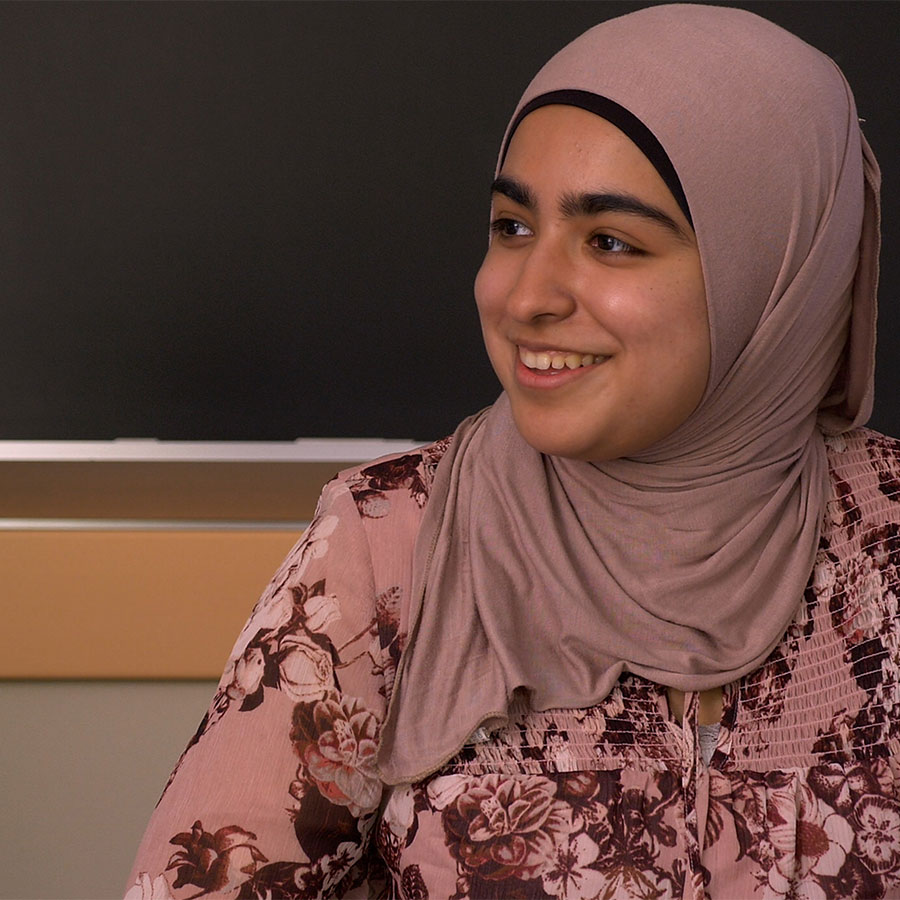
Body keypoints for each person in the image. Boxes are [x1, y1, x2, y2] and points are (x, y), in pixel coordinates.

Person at [125, 4, 893, 898]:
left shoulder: (886, 540)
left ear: (778, 273)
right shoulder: (389, 549)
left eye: (610, 242)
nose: (525, 296)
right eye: (512, 228)